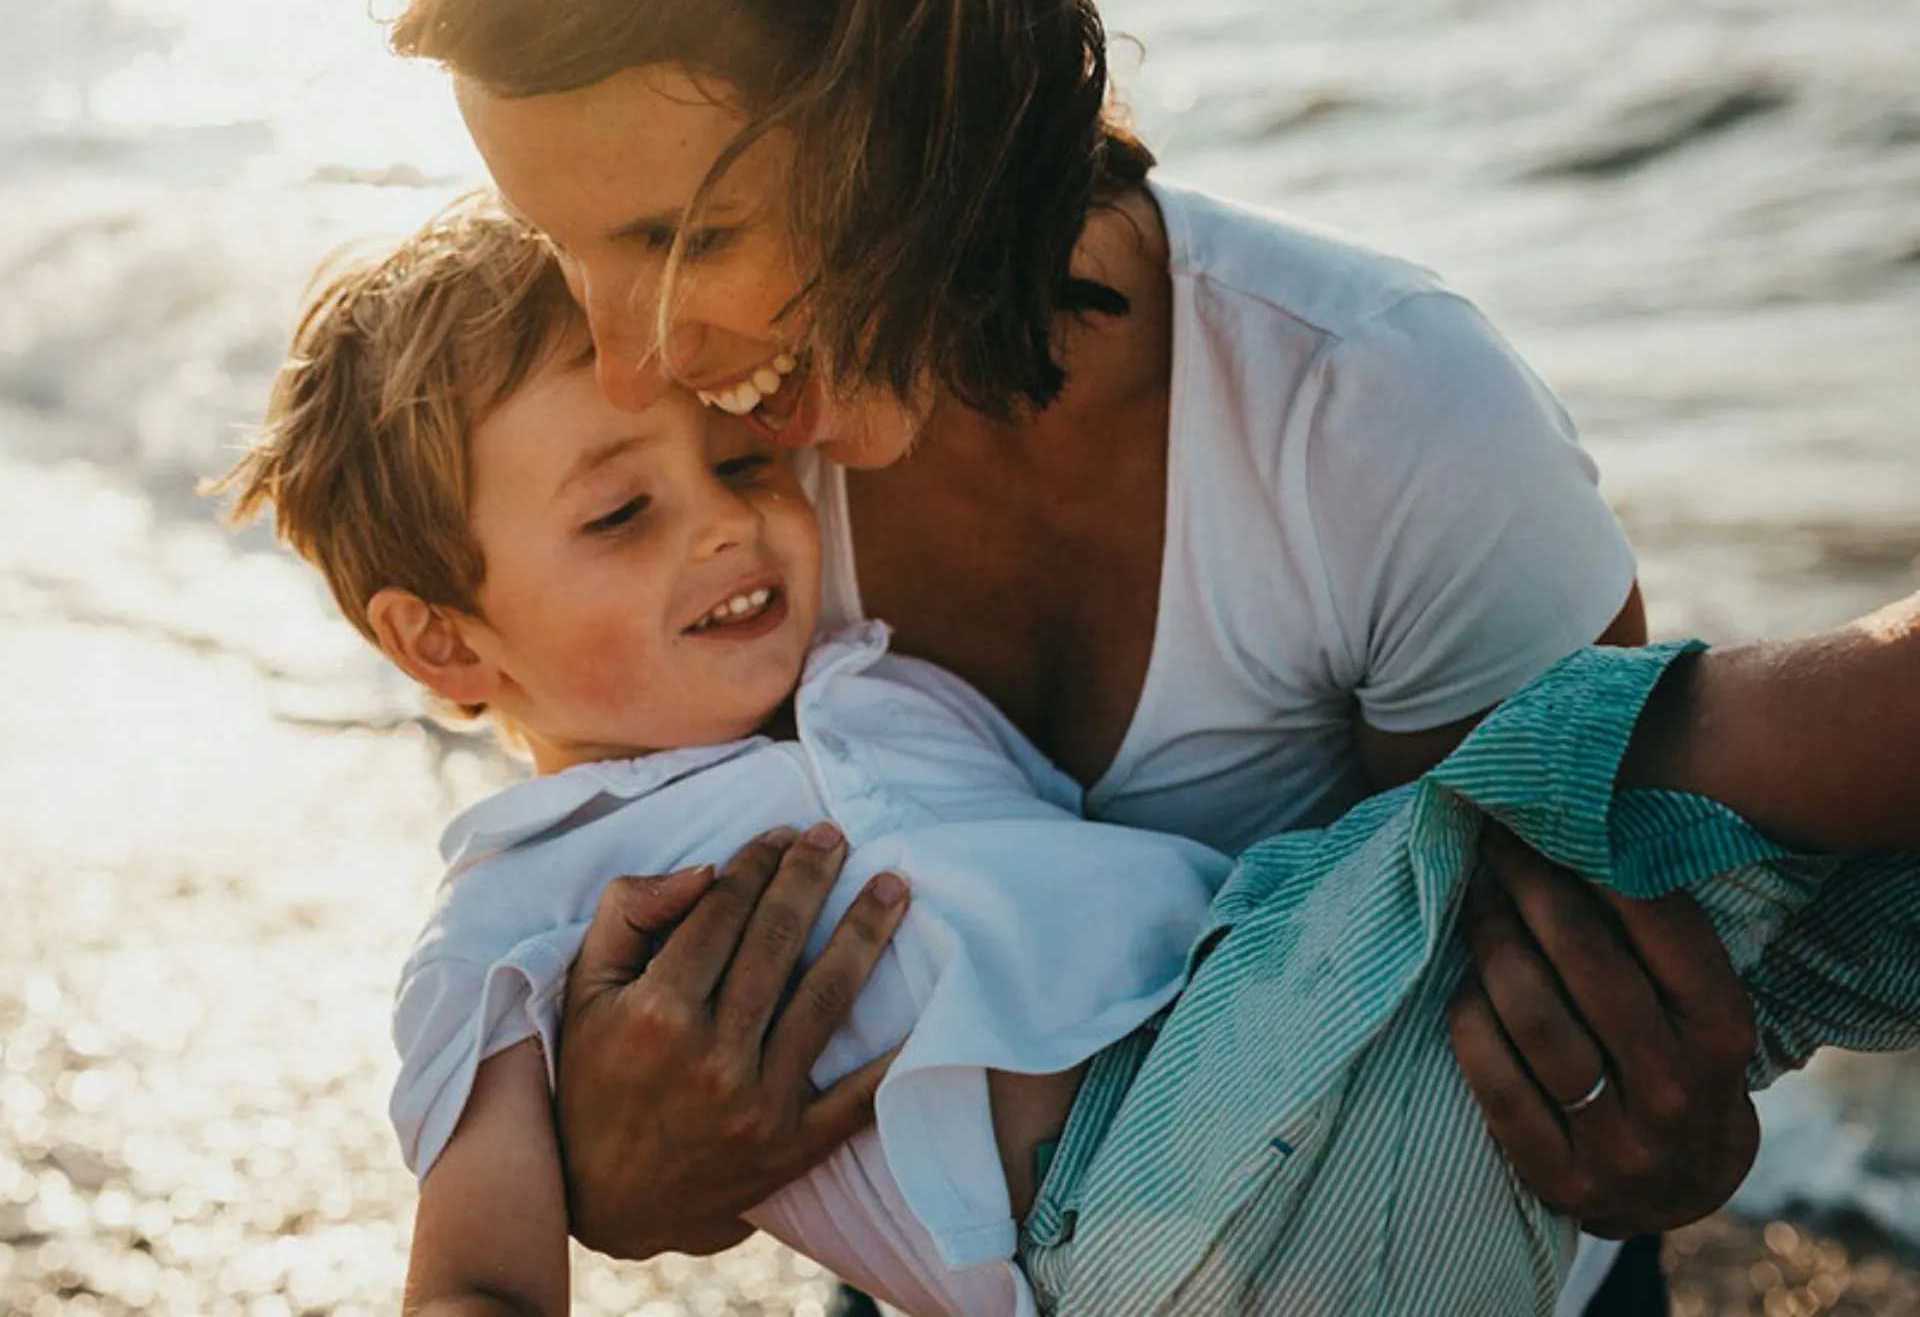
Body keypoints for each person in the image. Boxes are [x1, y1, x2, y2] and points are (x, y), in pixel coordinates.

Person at [387, 0, 1762, 1314]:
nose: (629, 355)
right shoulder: (706, 487)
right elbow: (612, 868)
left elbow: (1597, 997)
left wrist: (1672, 1132)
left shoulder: (1383, 421)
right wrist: (620, 1165)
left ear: (927, 103)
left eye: (687, 233)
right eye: (560, 249)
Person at [220, 202, 1920, 1317]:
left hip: (1358, 1143)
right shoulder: (516, 909)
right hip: (1136, 1207)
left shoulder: (872, 685)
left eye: (736, 459)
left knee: (1814, 904)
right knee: (1646, 763)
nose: (732, 523)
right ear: (443, 641)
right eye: (617, 510)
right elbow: (478, 1287)